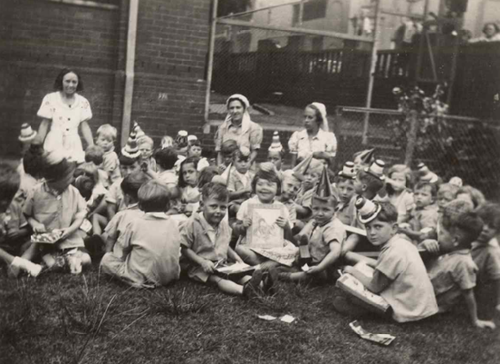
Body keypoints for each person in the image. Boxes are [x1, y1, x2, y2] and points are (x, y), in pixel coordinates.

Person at [334, 200, 438, 323]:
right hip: (420, 306)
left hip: (409, 312)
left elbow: (375, 287)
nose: (372, 233)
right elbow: (380, 266)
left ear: (394, 228)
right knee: (363, 268)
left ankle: (367, 311)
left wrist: (351, 270)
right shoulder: (401, 243)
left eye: (378, 227)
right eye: (368, 227)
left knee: (341, 297)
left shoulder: (394, 252)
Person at [180, 182, 264, 298]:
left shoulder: (223, 224)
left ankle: (262, 284)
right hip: (199, 266)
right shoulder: (192, 224)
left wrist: (237, 258)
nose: (218, 211)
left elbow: (225, 245)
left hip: (220, 264)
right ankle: (243, 290)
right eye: (213, 206)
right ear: (202, 204)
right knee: (217, 279)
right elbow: (184, 248)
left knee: (238, 275)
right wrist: (202, 262)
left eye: (223, 207)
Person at [20, 150, 91, 275]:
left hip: (69, 239)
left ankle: (70, 259)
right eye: (66, 179)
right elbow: (27, 214)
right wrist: (35, 224)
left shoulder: (73, 192)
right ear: (52, 180)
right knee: (52, 265)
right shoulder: (36, 192)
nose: (69, 181)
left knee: (87, 259)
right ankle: (63, 261)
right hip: (46, 241)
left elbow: (81, 215)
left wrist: (69, 230)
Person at [100, 180, 181, 288]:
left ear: (140, 206)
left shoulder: (135, 224)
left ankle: (134, 281)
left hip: (141, 276)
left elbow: (124, 250)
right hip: (170, 277)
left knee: (107, 260)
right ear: (168, 206)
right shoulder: (174, 223)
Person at [426, 210, 496, 329]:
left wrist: (475, 320)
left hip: (430, 305)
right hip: (424, 294)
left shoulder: (463, 263)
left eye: (441, 234)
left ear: (455, 240)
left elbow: (468, 293)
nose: (438, 238)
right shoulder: (450, 252)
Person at [279, 167, 346, 283]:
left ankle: (287, 277)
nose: (319, 213)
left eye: (325, 209)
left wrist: (319, 267)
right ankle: (293, 267)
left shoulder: (333, 227)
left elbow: (335, 252)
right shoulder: (317, 221)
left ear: (335, 209)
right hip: (309, 258)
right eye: (316, 209)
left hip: (324, 266)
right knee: (299, 247)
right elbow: (300, 237)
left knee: (311, 275)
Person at [233, 163, 297, 269]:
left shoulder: (281, 208)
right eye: (260, 184)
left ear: (278, 188)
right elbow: (236, 230)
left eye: (270, 185)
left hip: (275, 249)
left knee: (294, 250)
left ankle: (257, 268)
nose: (264, 188)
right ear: (254, 186)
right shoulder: (247, 204)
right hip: (252, 248)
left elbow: (288, 236)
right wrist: (243, 226)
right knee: (240, 249)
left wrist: (286, 226)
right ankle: (268, 267)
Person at [36, 68, 93, 164]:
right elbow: (44, 125)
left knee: (72, 171)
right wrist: (37, 146)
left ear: (78, 83)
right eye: (67, 81)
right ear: (61, 81)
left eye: (74, 82)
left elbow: (85, 126)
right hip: (54, 142)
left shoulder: (83, 102)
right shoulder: (51, 98)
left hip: (73, 143)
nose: (71, 85)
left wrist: (91, 145)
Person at [0, 162, 42, 277]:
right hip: (2, 248)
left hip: (15, 245)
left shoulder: (14, 205)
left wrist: (19, 233)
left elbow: (26, 229)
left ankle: (19, 262)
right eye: (2, 197)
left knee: (33, 241)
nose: (5, 202)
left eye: (9, 197)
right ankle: (19, 263)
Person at [100, 172, 148, 254]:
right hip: (144, 256)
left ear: (127, 198)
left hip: (123, 258)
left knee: (105, 237)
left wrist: (106, 256)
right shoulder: (150, 214)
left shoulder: (121, 215)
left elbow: (110, 240)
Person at [215, 94, 263, 166]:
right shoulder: (223, 128)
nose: (235, 111)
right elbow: (219, 152)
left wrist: (244, 165)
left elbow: (254, 151)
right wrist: (219, 168)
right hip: (226, 167)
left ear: (244, 109)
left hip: (245, 167)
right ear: (228, 110)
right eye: (231, 108)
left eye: (238, 107)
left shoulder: (253, 127)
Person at [105, 133, 142, 220]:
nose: (128, 172)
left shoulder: (146, 184)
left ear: (140, 165)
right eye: (124, 168)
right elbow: (111, 209)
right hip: (120, 222)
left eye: (133, 167)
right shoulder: (116, 185)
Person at [288, 103, 337, 167]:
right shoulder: (297, 136)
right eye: (305, 117)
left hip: (319, 175)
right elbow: (293, 166)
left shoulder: (328, 138)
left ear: (318, 120)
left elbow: (330, 165)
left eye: (310, 117)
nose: (306, 120)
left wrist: (323, 156)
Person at [473, 202, 500, 313]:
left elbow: (497, 279)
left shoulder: (491, 251)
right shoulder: (467, 239)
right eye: (482, 223)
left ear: (497, 232)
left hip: (478, 289)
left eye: (491, 226)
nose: (485, 229)